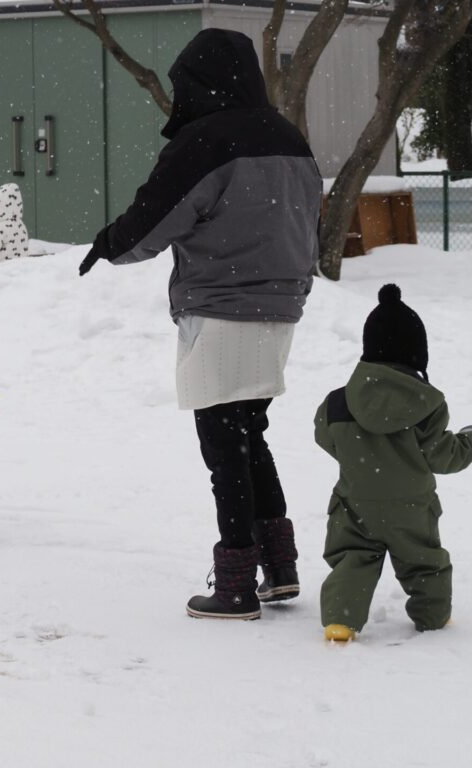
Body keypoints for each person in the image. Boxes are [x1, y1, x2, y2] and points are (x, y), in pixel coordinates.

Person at [78, 29, 322, 620]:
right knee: (249, 433)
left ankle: (236, 584)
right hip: (282, 307)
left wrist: (110, 242)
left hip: (220, 308)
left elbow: (153, 219)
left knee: (224, 445)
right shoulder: (288, 136)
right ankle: (279, 567)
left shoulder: (205, 141)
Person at [314, 284, 472, 642]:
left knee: (354, 558)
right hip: (412, 507)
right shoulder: (427, 405)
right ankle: (433, 615)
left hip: (355, 503)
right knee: (424, 561)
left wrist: (361, 458)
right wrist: (469, 442)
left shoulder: (338, 402)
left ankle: (341, 621)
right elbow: (442, 456)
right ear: (417, 354)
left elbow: (326, 438)